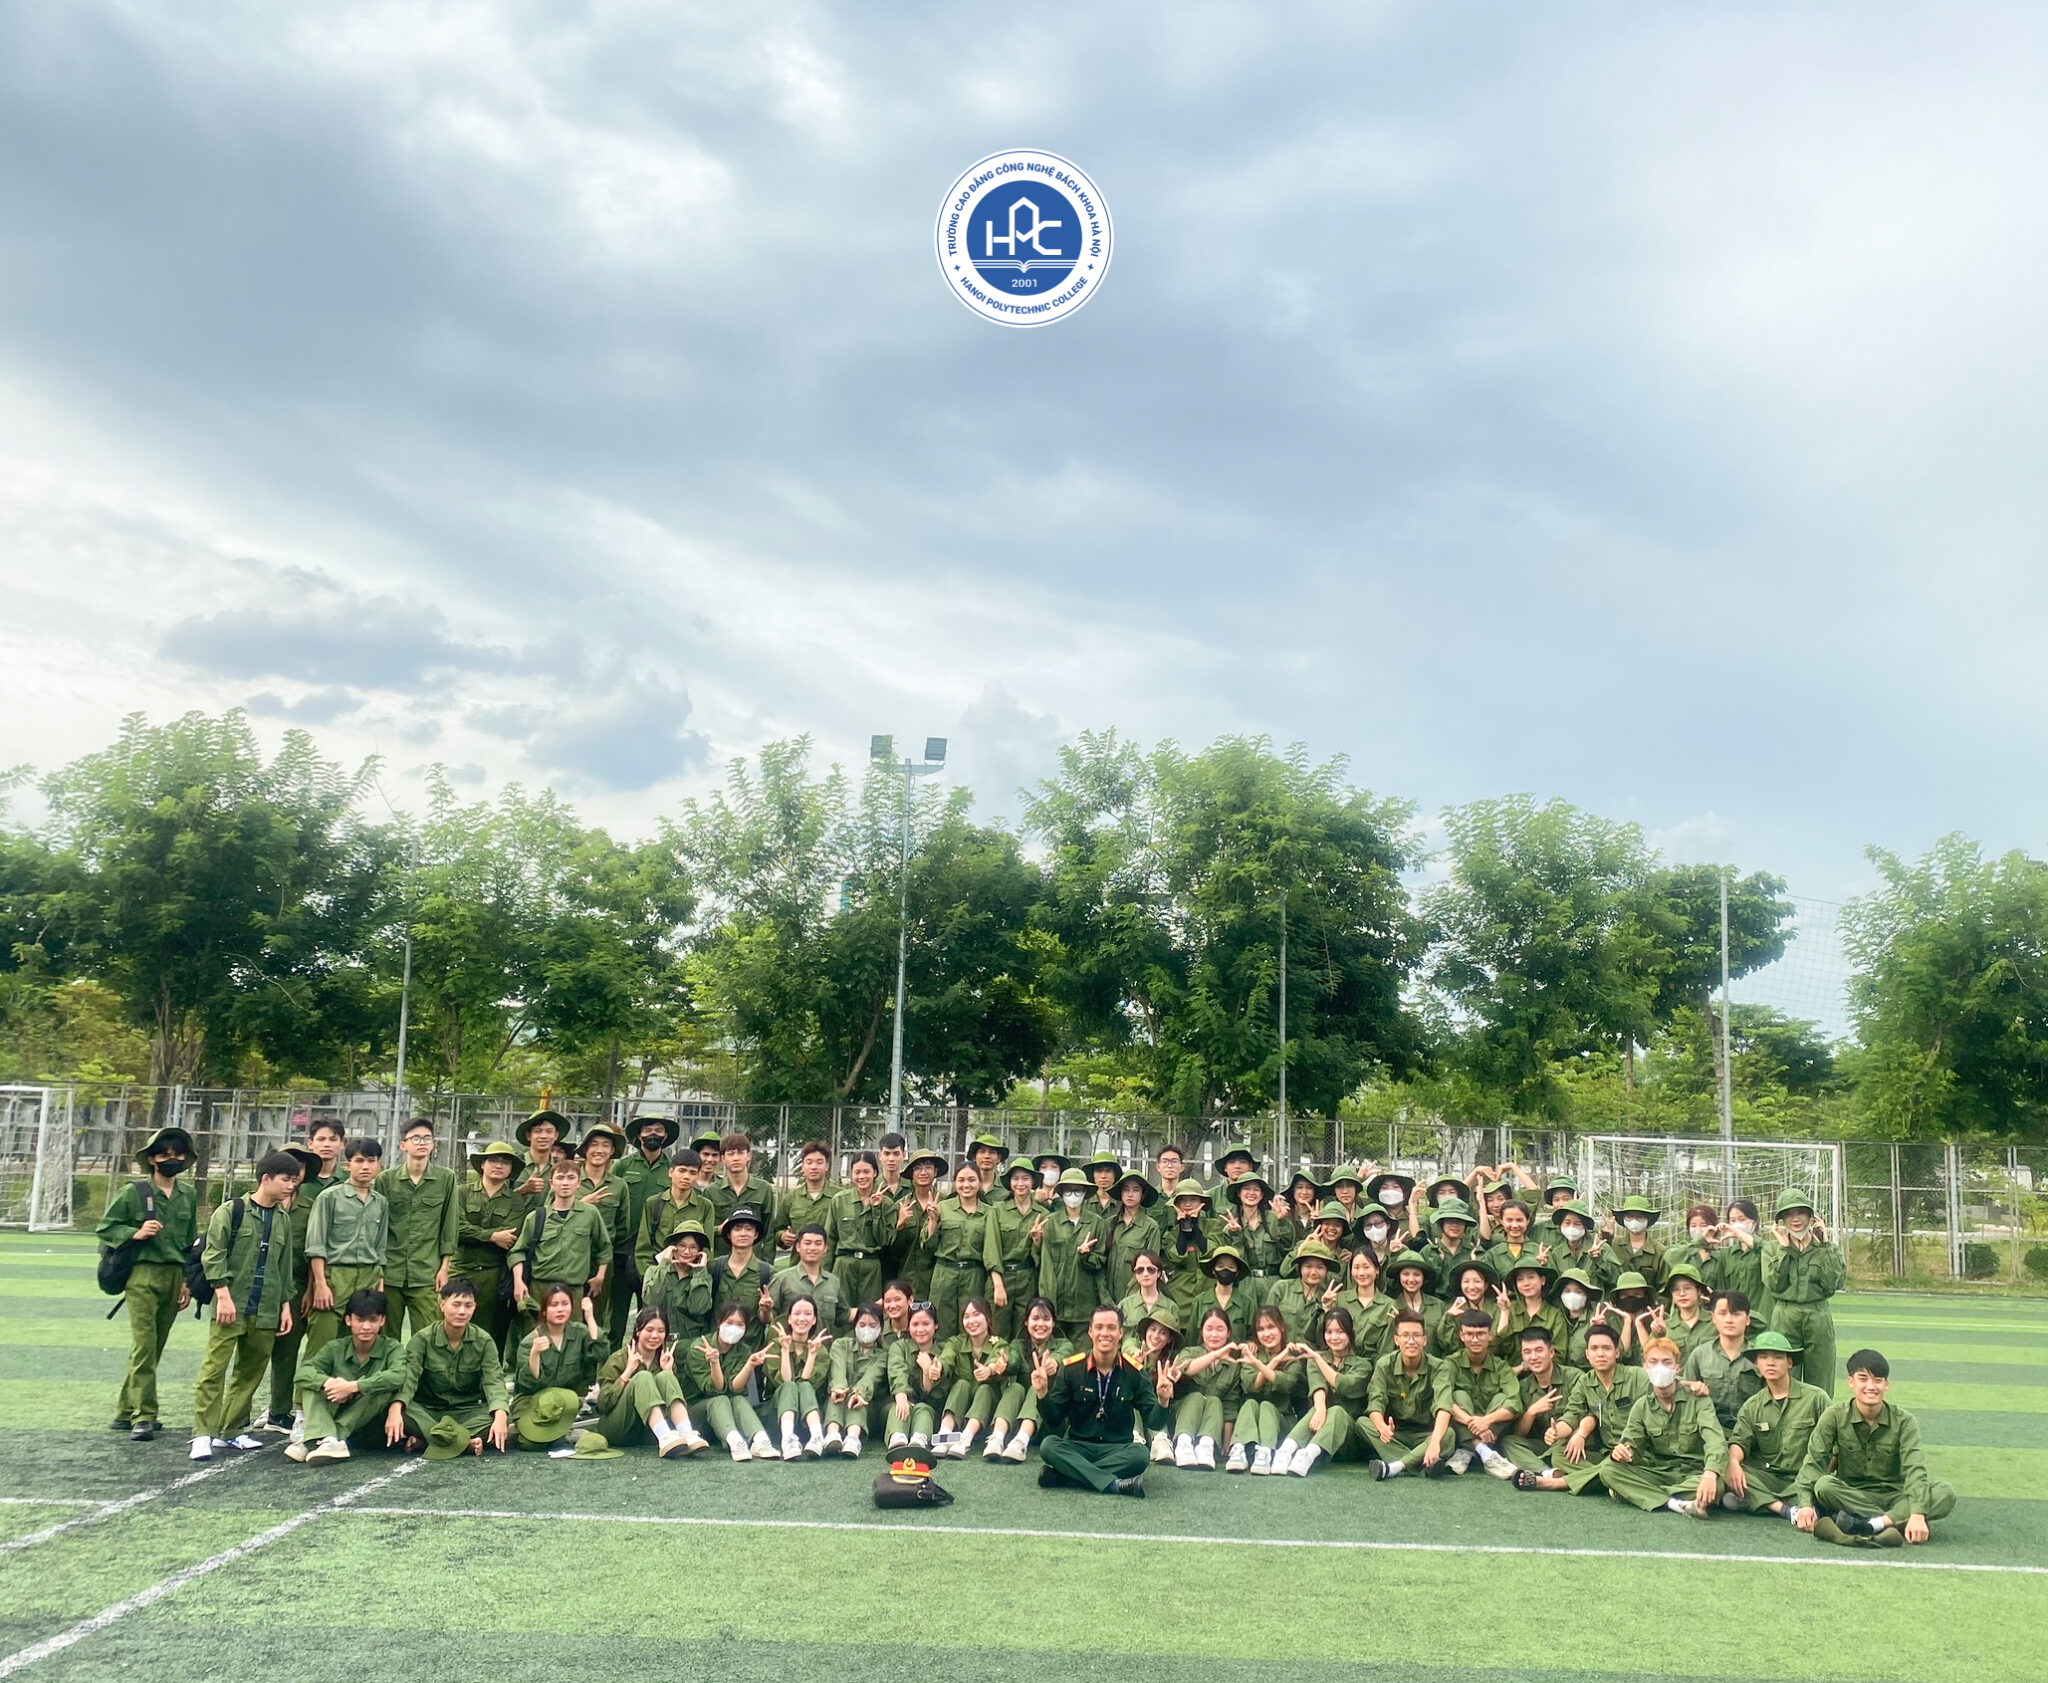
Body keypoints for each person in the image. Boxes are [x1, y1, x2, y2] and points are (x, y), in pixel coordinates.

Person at [190, 1151, 304, 1460]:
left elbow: (284, 1266)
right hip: (231, 1305)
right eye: (286, 1180)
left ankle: (232, 1431)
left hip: (266, 1308)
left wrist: (284, 1306)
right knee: (213, 1371)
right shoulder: (232, 1211)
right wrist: (223, 1295)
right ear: (266, 1179)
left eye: (294, 1181)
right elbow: (213, 1255)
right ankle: (203, 1433)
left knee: (250, 1372)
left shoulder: (282, 1219)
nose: (291, 1186)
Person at [1793, 1349, 1958, 1547]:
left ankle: (1871, 1524)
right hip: (1852, 1494)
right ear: (1851, 1381)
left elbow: (1915, 1469)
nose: (1871, 1387)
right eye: (1863, 1379)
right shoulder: (1834, 1416)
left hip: (1896, 1495)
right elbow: (1813, 1461)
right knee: (1824, 1486)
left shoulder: (1904, 1421)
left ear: (1886, 1385)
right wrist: (1805, 1505)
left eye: (1878, 1380)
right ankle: (1894, 1522)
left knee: (1945, 1492)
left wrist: (1917, 1512)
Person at [98, 1124, 199, 1442]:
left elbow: (189, 1243)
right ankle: (145, 1416)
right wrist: (135, 1233)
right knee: (144, 1345)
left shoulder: (188, 1194)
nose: (172, 1159)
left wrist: (187, 1282)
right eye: (164, 1154)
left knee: (154, 1347)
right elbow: (106, 1227)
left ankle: (124, 1411)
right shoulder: (134, 1192)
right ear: (152, 1159)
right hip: (142, 1275)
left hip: (174, 1276)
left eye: (177, 1154)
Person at [1032, 1304, 1172, 1498]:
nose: (1104, 1333)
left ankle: (1067, 1476)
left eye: (1111, 1327)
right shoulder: (1071, 1369)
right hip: (1078, 1446)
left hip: (1118, 1449)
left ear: (1120, 1333)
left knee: (1140, 1455)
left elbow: (1153, 1422)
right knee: (1049, 1445)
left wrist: (1163, 1400)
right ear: (1090, 1331)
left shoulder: (1134, 1372)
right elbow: (1054, 1420)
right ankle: (1114, 1484)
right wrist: (1042, 1393)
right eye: (1099, 1327)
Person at [266, 1122, 343, 1430]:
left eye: (332, 1139)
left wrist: (315, 1284)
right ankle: (276, 1408)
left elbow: (316, 1244)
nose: (293, 1175)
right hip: (270, 1284)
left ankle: (305, 1407)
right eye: (320, 1139)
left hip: (310, 1281)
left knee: (320, 1348)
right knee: (279, 1349)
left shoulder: (318, 1196)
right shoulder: (264, 1199)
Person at [1597, 1335, 1725, 1517]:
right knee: (1608, 1470)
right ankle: (1674, 1503)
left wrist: (1710, 1474)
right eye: (1653, 1362)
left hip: (1693, 1473)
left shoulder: (1699, 1401)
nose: (1660, 1368)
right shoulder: (1641, 1406)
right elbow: (1631, 1449)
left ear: (1677, 1368)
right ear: (1645, 1367)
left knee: (1717, 1484)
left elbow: (1715, 1441)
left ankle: (1640, 1494)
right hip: (1658, 1472)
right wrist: (1620, 1453)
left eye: (1667, 1362)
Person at [1515, 1319, 1647, 1494]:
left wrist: (1582, 1434)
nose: (1600, 1354)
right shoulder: (1585, 1382)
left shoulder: (1637, 1376)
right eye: (1594, 1349)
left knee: (1613, 1466)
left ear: (1617, 1352)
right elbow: (1572, 1414)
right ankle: (1610, 1480)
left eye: (1606, 1348)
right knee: (1561, 1454)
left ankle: (1557, 1483)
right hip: (1607, 1453)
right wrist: (1556, 1431)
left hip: (1636, 1453)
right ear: (1587, 1354)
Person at [390, 1276, 510, 1459]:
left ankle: (429, 1440)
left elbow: (494, 1382)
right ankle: (463, 1442)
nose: (462, 1311)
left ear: (475, 1307)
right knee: (401, 1412)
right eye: (456, 1305)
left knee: (500, 1417)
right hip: (428, 1411)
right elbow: (409, 1380)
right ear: (442, 1306)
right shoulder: (422, 1339)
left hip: (467, 1412)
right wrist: (395, 1408)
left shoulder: (484, 1341)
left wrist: (501, 1417)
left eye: (468, 1305)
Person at [288, 1287, 405, 1462]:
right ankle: (327, 1439)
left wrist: (352, 1387)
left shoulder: (393, 1348)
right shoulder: (336, 1347)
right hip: (338, 1413)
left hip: (371, 1427)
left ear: (382, 1321)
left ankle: (321, 1438)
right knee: (312, 1385)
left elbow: (398, 1376)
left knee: (381, 1389)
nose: (366, 1326)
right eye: (360, 1320)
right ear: (348, 1320)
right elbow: (303, 1373)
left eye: (373, 1320)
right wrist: (328, 1382)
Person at [375, 1118, 462, 1343]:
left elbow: (449, 1226)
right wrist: (378, 1272)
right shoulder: (385, 1180)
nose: (422, 1143)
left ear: (433, 1144)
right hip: (391, 1272)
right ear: (403, 1145)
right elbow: (377, 1229)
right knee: (387, 1339)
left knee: (429, 1337)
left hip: (427, 1274)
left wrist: (445, 1268)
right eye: (415, 1138)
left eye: (427, 1138)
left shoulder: (445, 1179)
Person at [302, 1139, 389, 1359]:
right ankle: (312, 1384)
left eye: (371, 1161)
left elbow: (380, 1249)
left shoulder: (380, 1202)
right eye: (359, 1161)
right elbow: (316, 1245)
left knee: (359, 1348)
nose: (365, 1166)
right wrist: (320, 1285)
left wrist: (379, 1287)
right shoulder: (329, 1197)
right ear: (347, 1165)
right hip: (335, 1277)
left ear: (379, 1164)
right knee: (321, 1348)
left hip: (369, 1277)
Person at [1724, 1330, 1826, 1518]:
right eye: (1763, 1357)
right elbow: (1740, 1441)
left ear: (1789, 1362)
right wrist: (1733, 1462)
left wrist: (1821, 1472)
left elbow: (1835, 1440)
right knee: (1728, 1469)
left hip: (1806, 1476)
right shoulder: (1753, 1406)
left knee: (1825, 1486)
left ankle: (1759, 1502)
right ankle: (1785, 1509)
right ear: (1757, 1364)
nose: (1770, 1362)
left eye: (1778, 1357)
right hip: (1770, 1477)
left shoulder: (1816, 1398)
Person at [593, 1305, 709, 1456]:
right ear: (637, 1331)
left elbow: (670, 1404)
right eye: (649, 1330)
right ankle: (665, 1437)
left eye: (661, 1331)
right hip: (618, 1429)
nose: (655, 1336)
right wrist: (627, 1372)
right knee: (643, 1377)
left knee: (665, 1376)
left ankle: (687, 1433)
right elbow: (602, 1405)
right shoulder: (619, 1358)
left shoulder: (664, 1359)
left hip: (646, 1432)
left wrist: (668, 1371)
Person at [510, 1282, 610, 1448]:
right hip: (532, 1401)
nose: (560, 1309)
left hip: (564, 1401)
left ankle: (561, 1434)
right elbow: (527, 1385)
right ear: (544, 1310)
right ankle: (556, 1434)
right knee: (529, 1443)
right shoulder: (531, 1341)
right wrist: (534, 1353)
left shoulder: (579, 1332)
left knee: (546, 1438)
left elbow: (601, 1353)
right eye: (554, 1305)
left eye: (565, 1304)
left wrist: (590, 1318)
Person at [511, 1158, 608, 1326]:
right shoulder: (536, 1217)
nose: (565, 1183)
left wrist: (600, 1276)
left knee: (571, 1336)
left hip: (574, 1290)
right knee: (537, 1335)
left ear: (579, 1183)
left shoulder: (590, 1214)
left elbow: (604, 1247)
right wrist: (518, 1281)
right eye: (560, 1178)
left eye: (571, 1178)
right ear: (551, 1183)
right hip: (540, 1289)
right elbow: (517, 1251)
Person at [1765, 1191, 1845, 1395]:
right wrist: (1784, 1249)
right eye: (1789, 1214)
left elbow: (1834, 1283)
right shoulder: (1772, 1250)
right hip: (1785, 1315)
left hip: (1817, 1314)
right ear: (1781, 1220)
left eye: (1801, 1212)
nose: (1796, 1219)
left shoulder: (1827, 1249)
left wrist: (1824, 1246)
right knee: (1782, 1378)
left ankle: (1821, 1416)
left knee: (1821, 1379)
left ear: (1811, 1217)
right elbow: (1775, 1284)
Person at [1282, 1305, 1372, 1476]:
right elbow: (1318, 1385)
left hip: (1348, 1441)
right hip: (1320, 1430)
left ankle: (1308, 1455)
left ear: (1351, 1333)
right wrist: (1321, 1408)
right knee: (1317, 1408)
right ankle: (1285, 1451)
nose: (1334, 1337)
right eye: (1329, 1332)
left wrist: (1317, 1357)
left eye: (1340, 1332)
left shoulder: (1364, 1365)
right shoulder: (1317, 1360)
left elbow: (1343, 1384)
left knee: (1337, 1411)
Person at [455, 1140, 526, 1353]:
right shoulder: (462, 1192)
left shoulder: (515, 1201)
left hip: (493, 1275)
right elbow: (456, 1229)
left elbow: (510, 1237)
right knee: (453, 1324)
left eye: (505, 1162)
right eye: (493, 1160)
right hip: (459, 1269)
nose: (499, 1165)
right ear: (482, 1164)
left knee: (487, 1334)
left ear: (511, 1170)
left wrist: (476, 1235)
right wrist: (492, 1236)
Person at [1364, 1309, 1453, 1479]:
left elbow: (1443, 1407)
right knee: (1363, 1424)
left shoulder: (1439, 1367)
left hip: (1425, 1434)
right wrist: (1382, 1428)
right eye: (1405, 1335)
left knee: (1448, 1434)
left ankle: (1395, 1467)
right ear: (1396, 1340)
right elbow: (1375, 1403)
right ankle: (1422, 1463)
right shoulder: (1384, 1365)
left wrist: (1434, 1442)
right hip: (1396, 1434)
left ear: (1424, 1340)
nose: (1411, 1341)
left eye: (1416, 1335)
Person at [988, 1296, 1071, 1463]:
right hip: (1016, 1421)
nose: (1040, 1324)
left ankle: (1021, 1443)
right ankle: (996, 1439)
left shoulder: (1064, 1344)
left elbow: (1063, 1356)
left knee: (1037, 1388)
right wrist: (1005, 1364)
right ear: (1026, 1322)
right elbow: (1013, 1360)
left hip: (1048, 1423)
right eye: (1035, 1318)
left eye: (1046, 1319)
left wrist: (1053, 1363)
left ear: (1053, 1323)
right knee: (1015, 1388)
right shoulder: (1017, 1345)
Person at [1444, 1308, 1523, 1480]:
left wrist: (1486, 1421)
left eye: (1480, 1334)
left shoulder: (1501, 1367)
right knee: (1457, 1396)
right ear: (1461, 1336)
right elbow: (1443, 1400)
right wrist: (1472, 1422)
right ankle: (1483, 1452)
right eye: (1469, 1334)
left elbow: (1515, 1403)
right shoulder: (1451, 1363)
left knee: (1502, 1399)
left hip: (1491, 1431)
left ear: (1490, 1336)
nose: (1475, 1339)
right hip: (1464, 1426)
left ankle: (1468, 1449)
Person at [693, 1300, 776, 1460]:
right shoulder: (699, 1347)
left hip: (727, 1416)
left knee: (739, 1399)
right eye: (729, 1323)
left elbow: (735, 1387)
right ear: (719, 1323)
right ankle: (735, 1442)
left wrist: (749, 1365)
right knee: (720, 1399)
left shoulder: (743, 1350)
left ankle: (760, 1440)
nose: (733, 1328)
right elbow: (716, 1389)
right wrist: (714, 1362)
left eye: (740, 1325)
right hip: (698, 1418)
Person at [573, 1122, 632, 1333]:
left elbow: (622, 1228)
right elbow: (549, 1214)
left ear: (613, 1150)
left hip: (601, 1263)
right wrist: (582, 1205)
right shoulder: (569, 1177)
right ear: (585, 1149)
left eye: (606, 1145)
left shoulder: (619, 1186)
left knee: (595, 1321)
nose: (599, 1150)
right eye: (594, 1144)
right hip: (569, 1259)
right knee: (566, 1317)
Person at [923, 1160, 992, 1339]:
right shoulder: (942, 1207)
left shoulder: (990, 1213)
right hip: (945, 1273)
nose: (966, 1185)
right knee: (941, 1326)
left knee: (971, 1324)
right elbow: (928, 1246)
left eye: (971, 1180)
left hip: (973, 1275)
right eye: (961, 1180)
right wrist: (933, 1221)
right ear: (955, 1182)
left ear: (980, 1182)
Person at [1168, 1304, 1243, 1470]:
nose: (1214, 1334)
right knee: (1196, 1397)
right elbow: (1186, 1369)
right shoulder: (1190, 1352)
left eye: (1220, 1329)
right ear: (1201, 1331)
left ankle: (1206, 1446)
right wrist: (1216, 1354)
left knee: (1215, 1401)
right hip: (1183, 1418)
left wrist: (1227, 1442)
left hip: (1211, 1424)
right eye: (1209, 1329)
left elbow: (1230, 1404)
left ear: (1228, 1333)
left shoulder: (1233, 1365)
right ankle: (1183, 1444)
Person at [1036, 1168, 1107, 1340]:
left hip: (1084, 1303)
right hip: (1057, 1304)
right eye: (1068, 1190)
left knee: (1082, 1353)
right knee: (1056, 1350)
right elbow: (1045, 1266)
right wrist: (1047, 1302)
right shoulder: (1050, 1222)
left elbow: (1101, 1260)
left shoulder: (1096, 1223)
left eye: (1078, 1190)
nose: (1073, 1195)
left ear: (1085, 1193)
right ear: (1061, 1193)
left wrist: (1085, 1256)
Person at [935, 1296, 1008, 1458]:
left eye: (976, 1314)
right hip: (960, 1411)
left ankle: (965, 1439)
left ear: (988, 1317)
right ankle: (944, 1435)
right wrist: (939, 1367)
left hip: (985, 1416)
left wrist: (990, 1370)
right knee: (961, 1384)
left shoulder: (999, 1344)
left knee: (985, 1389)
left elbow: (998, 1358)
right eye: (966, 1317)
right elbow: (947, 1356)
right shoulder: (956, 1342)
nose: (971, 1321)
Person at [1683, 1290, 1763, 1431]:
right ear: (1713, 1318)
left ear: (1748, 1320)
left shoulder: (1759, 1356)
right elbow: (1685, 1395)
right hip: (1709, 1429)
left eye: (1736, 1314)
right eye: (1723, 1313)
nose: (1729, 1320)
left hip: (1751, 1429)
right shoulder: (1700, 1355)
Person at [635, 1148, 717, 1277]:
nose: (686, 1177)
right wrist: (650, 1277)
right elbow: (643, 1248)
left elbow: (707, 1249)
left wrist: (699, 1276)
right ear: (671, 1172)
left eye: (692, 1173)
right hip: (658, 1272)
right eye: (681, 1170)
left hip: (690, 1275)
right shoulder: (654, 1203)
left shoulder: (705, 1206)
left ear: (697, 1176)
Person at [768, 1294, 832, 1459]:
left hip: (807, 1417)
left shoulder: (821, 1350)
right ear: (789, 1319)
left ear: (814, 1320)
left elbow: (807, 1382)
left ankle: (817, 1437)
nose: (802, 1318)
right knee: (789, 1386)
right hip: (778, 1417)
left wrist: (812, 1354)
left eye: (808, 1314)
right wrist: (784, 1350)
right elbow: (784, 1382)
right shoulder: (775, 1345)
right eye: (797, 1314)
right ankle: (787, 1440)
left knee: (804, 1385)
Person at [832, 1152, 893, 1315]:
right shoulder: (839, 1200)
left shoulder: (887, 1203)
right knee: (841, 1313)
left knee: (870, 1314)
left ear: (875, 1173)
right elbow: (830, 1238)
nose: (861, 1176)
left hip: (871, 1265)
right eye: (857, 1172)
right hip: (844, 1264)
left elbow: (884, 1240)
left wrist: (876, 1210)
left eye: (866, 1171)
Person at [826, 1301, 887, 1457]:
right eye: (862, 1324)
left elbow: (871, 1378)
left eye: (872, 1325)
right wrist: (839, 1388)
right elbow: (837, 1370)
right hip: (838, 1401)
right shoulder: (840, 1345)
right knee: (837, 1395)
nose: (867, 1329)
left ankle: (853, 1439)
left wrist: (859, 1393)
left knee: (858, 1399)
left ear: (881, 1329)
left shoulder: (882, 1355)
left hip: (866, 1409)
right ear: (855, 1326)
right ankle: (832, 1435)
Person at [639, 1219, 714, 1343]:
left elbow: (698, 1308)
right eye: (682, 1246)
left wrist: (699, 1272)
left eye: (693, 1247)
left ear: (699, 1252)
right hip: (660, 1342)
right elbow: (651, 1300)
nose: (686, 1252)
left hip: (691, 1342)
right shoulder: (653, 1271)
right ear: (673, 1247)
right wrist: (664, 1263)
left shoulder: (704, 1276)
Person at [887, 1301, 948, 1449]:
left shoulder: (944, 1351)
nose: (920, 1329)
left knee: (923, 1409)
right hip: (900, 1403)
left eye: (926, 1324)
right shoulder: (899, 1347)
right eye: (915, 1324)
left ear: (936, 1325)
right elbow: (897, 1371)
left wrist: (927, 1371)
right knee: (900, 1406)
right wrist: (901, 1393)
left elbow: (935, 1396)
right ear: (908, 1326)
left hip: (929, 1410)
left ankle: (919, 1440)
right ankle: (897, 1438)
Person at [704, 1133, 776, 1257]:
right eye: (731, 1154)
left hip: (754, 1261)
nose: (736, 1158)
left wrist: (767, 1263)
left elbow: (769, 1231)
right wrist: (718, 1230)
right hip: (720, 1261)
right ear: (723, 1158)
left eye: (740, 1153)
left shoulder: (764, 1189)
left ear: (749, 1156)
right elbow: (704, 1230)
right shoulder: (711, 1191)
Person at [770, 1224, 848, 1333]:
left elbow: (843, 1315)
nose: (812, 1248)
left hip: (822, 1343)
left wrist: (870, 1308)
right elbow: (768, 1317)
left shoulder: (833, 1282)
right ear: (798, 1247)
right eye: (807, 1243)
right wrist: (765, 1310)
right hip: (789, 1343)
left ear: (825, 1248)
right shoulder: (782, 1279)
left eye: (818, 1244)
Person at [1219, 1167, 1289, 1285]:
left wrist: (1282, 1222)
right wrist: (1236, 1235)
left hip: (1273, 1283)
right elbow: (1230, 1262)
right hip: (1243, 1284)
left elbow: (1287, 1249)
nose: (1251, 1193)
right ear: (1239, 1193)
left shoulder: (1274, 1219)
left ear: (1262, 1195)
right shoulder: (1231, 1228)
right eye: (1246, 1189)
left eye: (1256, 1189)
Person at [893, 1148, 946, 1298]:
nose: (923, 1172)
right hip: (906, 1280)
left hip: (936, 1280)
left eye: (928, 1167)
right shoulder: (901, 1205)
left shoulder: (946, 1204)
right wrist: (900, 1225)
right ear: (911, 1174)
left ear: (935, 1172)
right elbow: (894, 1252)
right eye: (917, 1168)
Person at [1103, 1170, 1163, 1302]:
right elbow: (1101, 1263)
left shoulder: (1150, 1227)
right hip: (1107, 1298)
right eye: (1126, 1189)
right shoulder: (1109, 1224)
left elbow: (1151, 1268)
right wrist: (1105, 1297)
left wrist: (1132, 1299)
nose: (1130, 1194)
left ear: (1142, 1195)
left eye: (1135, 1190)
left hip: (1135, 1299)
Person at [777, 1140, 840, 1264]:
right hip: (798, 1266)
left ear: (827, 1166)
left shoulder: (839, 1197)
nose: (814, 1167)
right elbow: (777, 1229)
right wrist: (783, 1236)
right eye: (809, 1162)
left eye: (819, 1162)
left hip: (831, 1266)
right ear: (802, 1166)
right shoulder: (791, 1199)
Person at [1329, 1245, 1393, 1364]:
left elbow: (1386, 1349)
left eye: (1366, 1267)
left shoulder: (1389, 1305)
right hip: (1342, 1365)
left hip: (1374, 1367)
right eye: (1356, 1267)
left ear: (1377, 1270)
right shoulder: (1339, 1300)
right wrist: (1326, 1308)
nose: (1361, 1273)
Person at [1265, 1238, 1337, 1344]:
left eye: (1320, 1267)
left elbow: (1329, 1337)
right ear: (1300, 1268)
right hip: (1282, 1351)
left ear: (1326, 1271)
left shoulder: (1330, 1298)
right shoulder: (1281, 1289)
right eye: (1308, 1266)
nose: (1313, 1272)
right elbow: (1266, 1323)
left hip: (1312, 1353)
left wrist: (1327, 1309)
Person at [1598, 1196, 1668, 1296]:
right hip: (1616, 1303)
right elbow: (1603, 1275)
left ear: (1648, 1219)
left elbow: (1663, 1289)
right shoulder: (1613, 1246)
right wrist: (1606, 1239)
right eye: (1630, 1217)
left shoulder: (1660, 1252)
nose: (1634, 1221)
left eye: (1640, 1217)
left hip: (1647, 1304)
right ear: (1623, 1219)